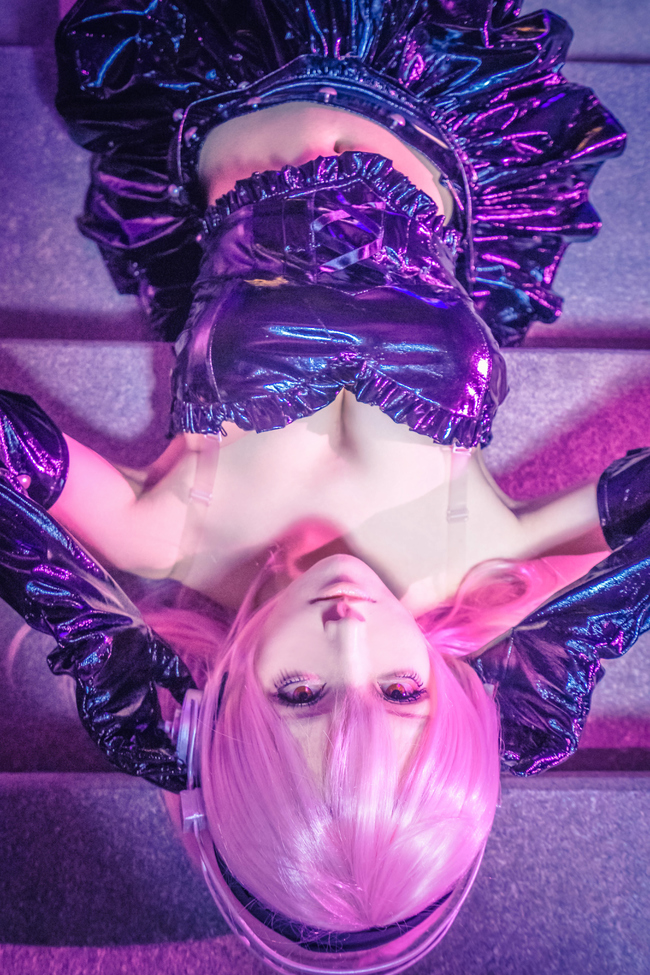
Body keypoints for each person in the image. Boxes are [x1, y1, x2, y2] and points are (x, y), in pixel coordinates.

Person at [0, 0, 639, 970]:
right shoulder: (484, 565)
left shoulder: (168, 536)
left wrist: (86, 627)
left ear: (225, 715)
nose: (348, 632)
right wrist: (579, 636)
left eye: (299, 692)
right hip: (436, 94)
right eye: (398, 690)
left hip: (229, 57)